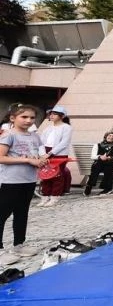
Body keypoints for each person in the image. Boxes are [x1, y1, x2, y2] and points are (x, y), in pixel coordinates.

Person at [0, 104, 46, 265]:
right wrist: (26, 159)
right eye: (24, 117)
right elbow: (1, 157)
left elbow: (39, 153)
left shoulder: (35, 136)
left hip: (29, 180)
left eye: (32, 117)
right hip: (10, 181)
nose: (28, 120)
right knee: (2, 214)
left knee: (21, 213)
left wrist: (41, 160)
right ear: (13, 118)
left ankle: (19, 245)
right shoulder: (8, 135)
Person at [37, 105, 73, 207]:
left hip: (59, 154)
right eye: (51, 114)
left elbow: (64, 143)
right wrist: (43, 154)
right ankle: (45, 197)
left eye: (55, 114)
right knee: (45, 175)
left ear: (62, 116)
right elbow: (40, 142)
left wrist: (50, 153)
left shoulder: (67, 128)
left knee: (57, 175)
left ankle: (55, 197)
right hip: (45, 153)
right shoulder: (48, 128)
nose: (51, 116)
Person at [84, 131, 113, 195]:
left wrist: (109, 158)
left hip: (110, 163)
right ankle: (89, 186)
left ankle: (107, 188)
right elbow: (92, 156)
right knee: (96, 168)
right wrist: (100, 157)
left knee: (109, 168)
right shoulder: (97, 145)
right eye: (109, 135)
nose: (111, 137)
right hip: (100, 162)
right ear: (105, 137)